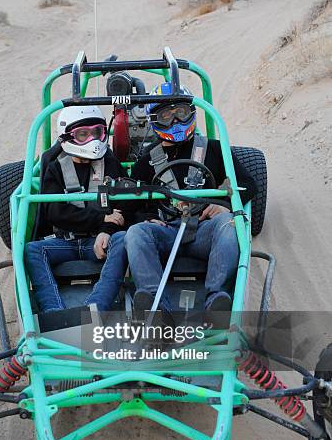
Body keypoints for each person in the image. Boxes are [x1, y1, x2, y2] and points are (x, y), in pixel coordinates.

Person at [125, 82, 258, 313]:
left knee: (229, 223)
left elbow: (248, 185)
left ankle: (217, 299)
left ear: (192, 114)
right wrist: (146, 218)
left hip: (204, 228)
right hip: (166, 229)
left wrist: (224, 205)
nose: (175, 122)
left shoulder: (215, 150)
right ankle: (156, 306)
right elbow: (131, 207)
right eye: (167, 116)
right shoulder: (145, 162)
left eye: (182, 113)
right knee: (136, 232)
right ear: (155, 120)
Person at [25, 105, 128, 313]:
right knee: (32, 250)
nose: (92, 140)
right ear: (68, 136)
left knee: (124, 239)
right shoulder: (55, 167)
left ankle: (97, 306)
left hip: (97, 242)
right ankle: (54, 312)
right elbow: (55, 213)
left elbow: (124, 210)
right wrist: (102, 219)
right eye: (83, 135)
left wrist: (107, 230)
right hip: (65, 242)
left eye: (97, 132)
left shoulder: (110, 163)